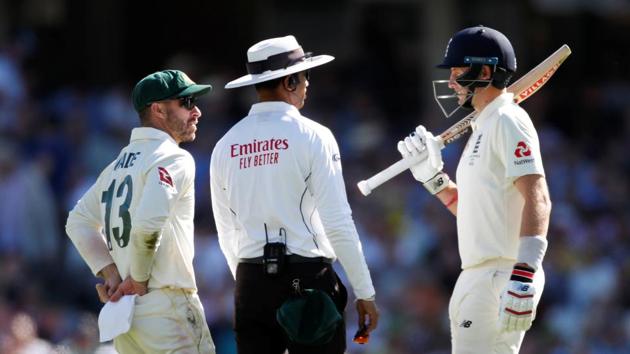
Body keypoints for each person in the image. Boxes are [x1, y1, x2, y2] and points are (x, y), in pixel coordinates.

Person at [210, 35, 379, 354]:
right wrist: (364, 292)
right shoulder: (314, 136)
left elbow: (226, 232)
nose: (307, 85)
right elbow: (338, 222)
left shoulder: (225, 145)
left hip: (249, 280)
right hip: (306, 279)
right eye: (303, 77)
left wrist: (251, 285)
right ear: (289, 81)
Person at [397, 26, 551, 353]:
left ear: (484, 71)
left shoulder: (508, 119)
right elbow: (469, 210)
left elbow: (538, 197)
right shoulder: (484, 126)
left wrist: (524, 274)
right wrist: (432, 177)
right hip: (478, 275)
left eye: (457, 71)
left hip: (501, 273)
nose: (451, 82)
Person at [65, 69, 216, 353]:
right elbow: (147, 226)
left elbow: (78, 222)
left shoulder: (115, 167)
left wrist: (112, 275)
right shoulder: (174, 157)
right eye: (186, 103)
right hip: (165, 306)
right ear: (158, 109)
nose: (197, 112)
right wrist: (137, 280)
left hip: (126, 316)